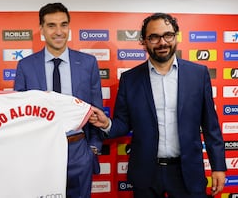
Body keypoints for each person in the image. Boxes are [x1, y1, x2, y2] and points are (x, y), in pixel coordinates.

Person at [89, 13, 226, 198]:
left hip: (187, 172)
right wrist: (107, 124)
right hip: (146, 173)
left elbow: (211, 127)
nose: (162, 42)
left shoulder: (198, 75)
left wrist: (218, 166)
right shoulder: (130, 79)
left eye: (167, 35)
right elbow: (123, 123)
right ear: (144, 42)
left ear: (176, 36)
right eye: (154, 37)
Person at [14, 2, 103, 198]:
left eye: (63, 24)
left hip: (78, 149)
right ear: (42, 29)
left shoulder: (88, 63)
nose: (58, 31)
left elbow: (97, 108)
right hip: (40, 151)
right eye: (51, 25)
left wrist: (93, 149)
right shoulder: (26, 66)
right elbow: (18, 114)